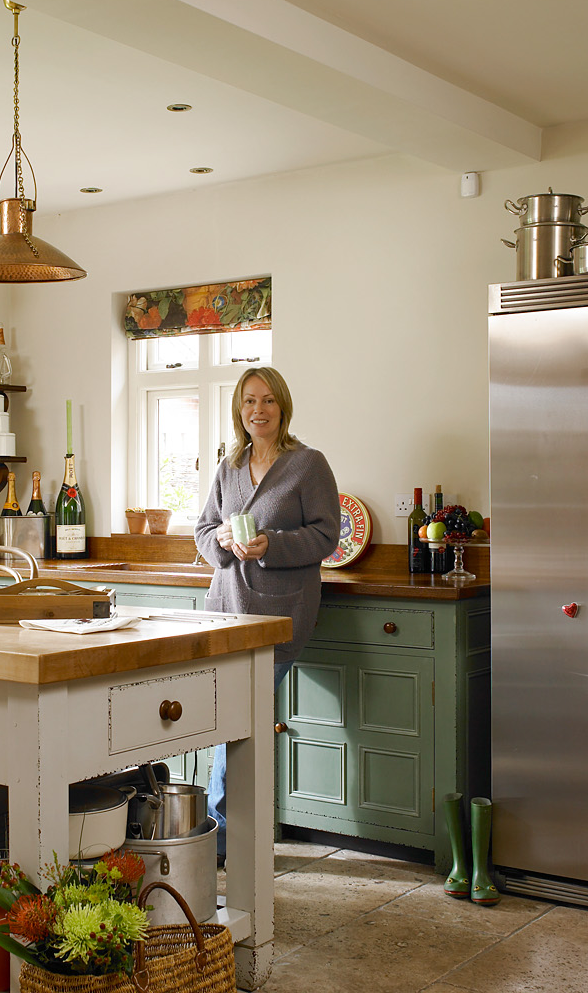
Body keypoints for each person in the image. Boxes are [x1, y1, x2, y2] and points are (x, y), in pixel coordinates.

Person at [193, 366, 340, 863]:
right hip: (227, 610)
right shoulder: (229, 465)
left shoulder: (307, 464)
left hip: (279, 616)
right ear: (240, 409)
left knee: (236, 719)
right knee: (228, 721)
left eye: (269, 401)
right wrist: (223, 541)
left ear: (283, 407)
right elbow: (204, 529)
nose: (259, 410)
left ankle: (221, 838)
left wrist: (270, 544)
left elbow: (326, 536)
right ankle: (227, 835)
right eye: (250, 401)